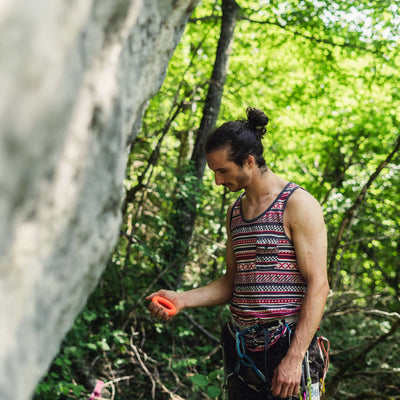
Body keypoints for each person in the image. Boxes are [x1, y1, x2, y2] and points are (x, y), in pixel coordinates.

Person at [147, 108, 330, 399]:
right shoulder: (235, 212)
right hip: (242, 351)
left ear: (248, 162)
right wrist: (181, 299)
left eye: (223, 171)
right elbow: (232, 282)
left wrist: (294, 359)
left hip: (288, 349)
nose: (218, 181)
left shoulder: (297, 204)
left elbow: (319, 285)